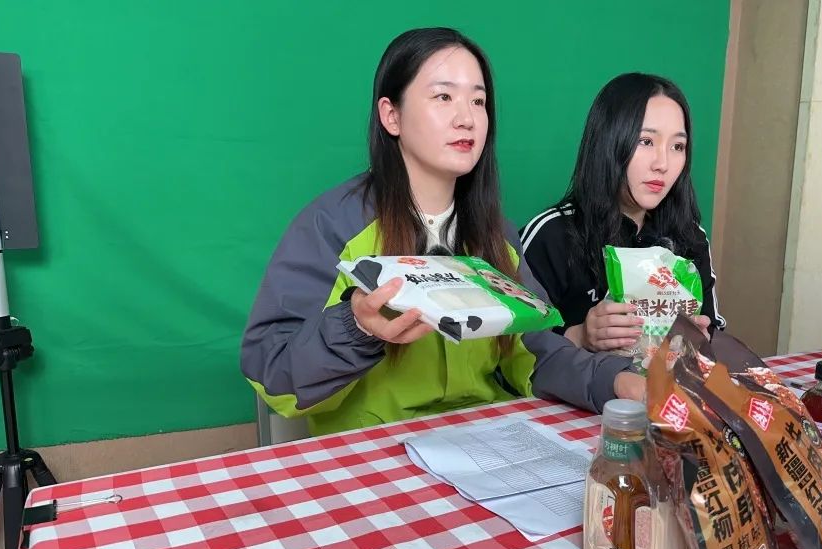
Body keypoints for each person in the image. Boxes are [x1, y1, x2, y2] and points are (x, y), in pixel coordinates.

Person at [241, 28, 642, 436]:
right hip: (373, 451)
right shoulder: (333, 226)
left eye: (478, 101)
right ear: (391, 116)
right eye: (443, 96)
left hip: (484, 442)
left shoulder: (495, 236)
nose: (466, 118)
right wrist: (355, 327)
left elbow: (533, 349)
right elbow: (272, 375)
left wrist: (615, 381)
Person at [519, 72, 725, 353]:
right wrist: (580, 336)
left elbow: (714, 331)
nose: (663, 164)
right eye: (646, 141)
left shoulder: (689, 236)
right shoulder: (551, 235)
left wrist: (701, 340)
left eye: (678, 146)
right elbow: (511, 351)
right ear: (608, 142)